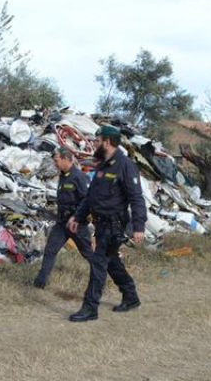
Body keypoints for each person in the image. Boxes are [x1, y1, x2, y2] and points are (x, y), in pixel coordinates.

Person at [66, 125, 146, 322]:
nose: (94, 143)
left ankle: (90, 307)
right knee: (111, 262)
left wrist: (139, 227)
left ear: (108, 142)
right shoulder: (102, 165)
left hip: (115, 225)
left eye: (97, 140)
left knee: (98, 262)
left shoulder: (125, 165)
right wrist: (78, 217)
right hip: (101, 225)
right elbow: (90, 197)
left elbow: (136, 198)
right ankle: (131, 296)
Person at [34, 148, 93, 288]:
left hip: (77, 224)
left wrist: (77, 217)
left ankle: (100, 279)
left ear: (66, 159)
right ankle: (40, 283)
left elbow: (88, 201)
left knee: (88, 254)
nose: (55, 164)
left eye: (57, 160)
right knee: (50, 250)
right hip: (62, 223)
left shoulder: (79, 177)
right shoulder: (63, 176)